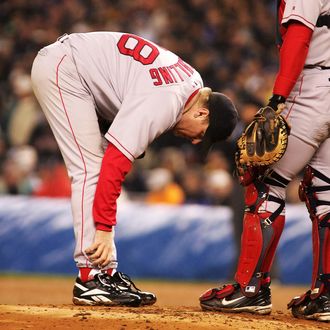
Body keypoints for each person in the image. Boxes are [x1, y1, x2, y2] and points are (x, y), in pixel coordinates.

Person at [31, 31, 238, 307]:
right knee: (90, 168)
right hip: (66, 68)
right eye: (203, 133)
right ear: (202, 113)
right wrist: (104, 228)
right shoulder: (167, 99)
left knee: (96, 163)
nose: (197, 140)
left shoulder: (192, 84)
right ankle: (90, 276)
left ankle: (105, 273)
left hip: (78, 66)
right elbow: (114, 165)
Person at [199, 0, 330, 322]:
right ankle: (325, 296)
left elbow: (299, 38)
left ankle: (250, 289)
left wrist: (279, 97)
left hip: (311, 88)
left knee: (263, 184)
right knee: (325, 194)